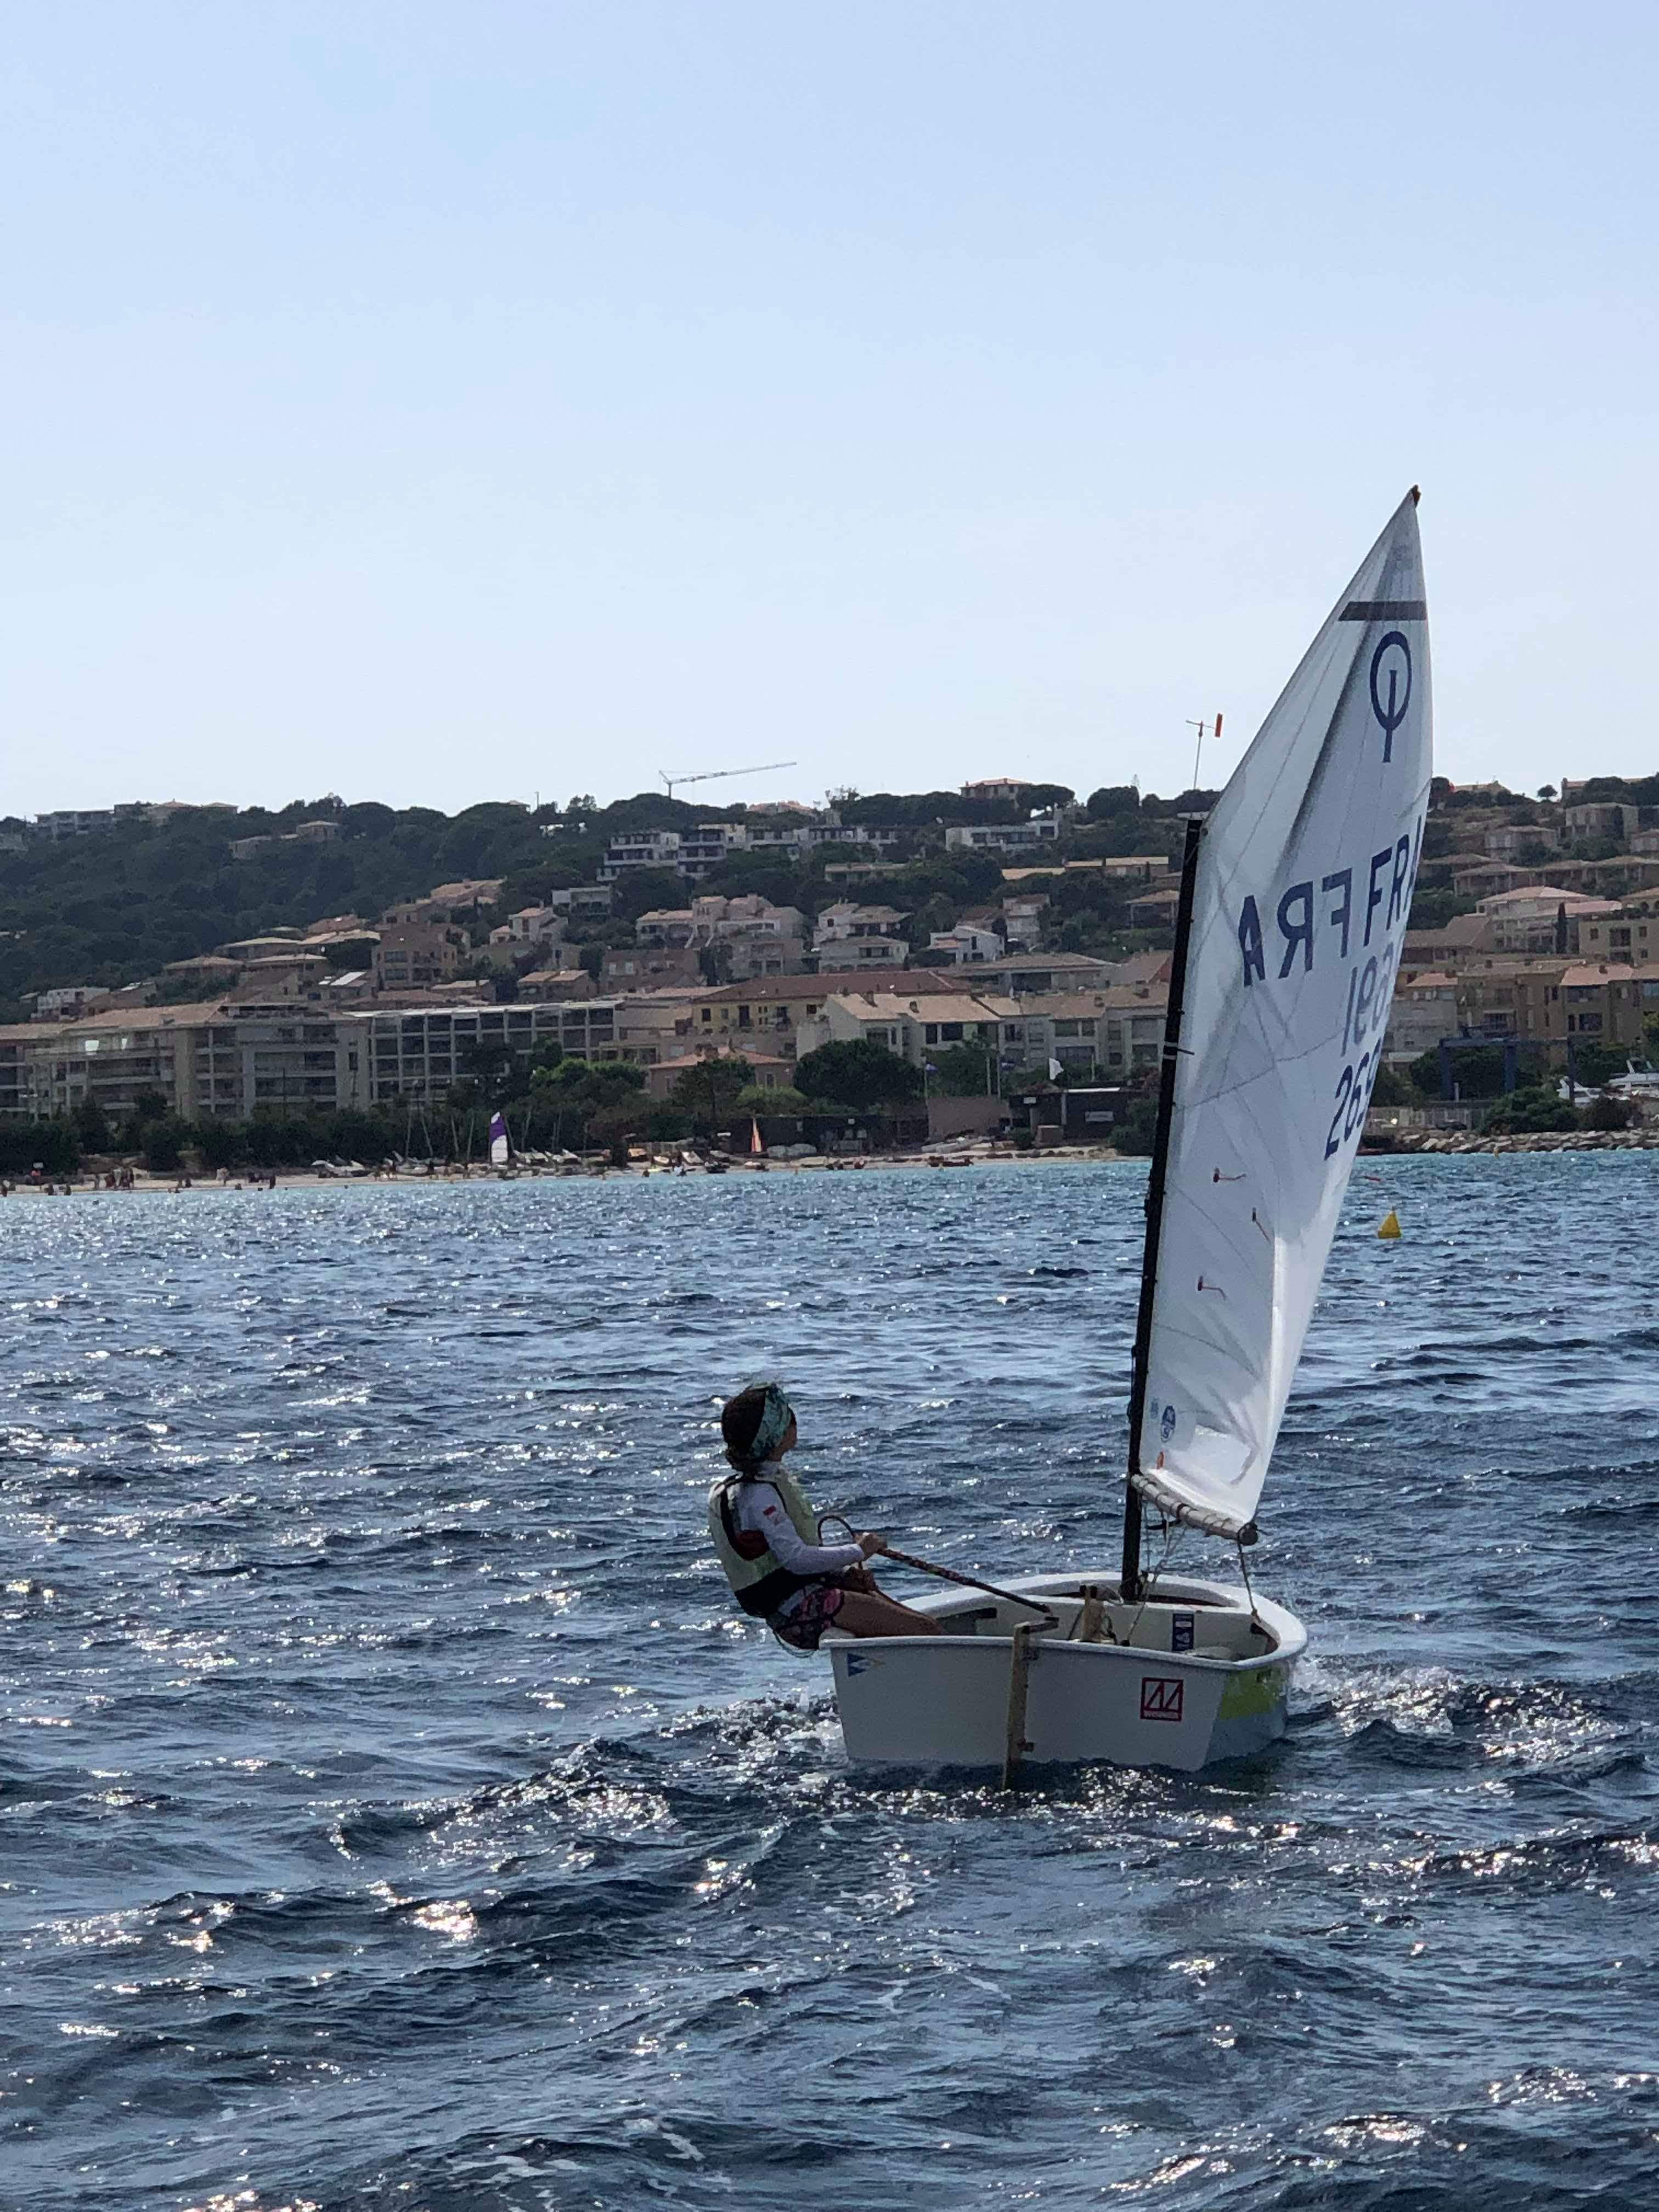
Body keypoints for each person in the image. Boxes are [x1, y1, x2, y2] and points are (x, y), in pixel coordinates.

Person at [708, 1384, 938, 1650]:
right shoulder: (760, 1496)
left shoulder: (757, 1484)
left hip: (799, 1598)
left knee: (921, 1625)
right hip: (797, 1611)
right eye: (789, 1418)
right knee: (927, 1630)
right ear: (775, 1434)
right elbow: (796, 1560)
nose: (795, 1423)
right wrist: (859, 1551)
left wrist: (840, 1575)